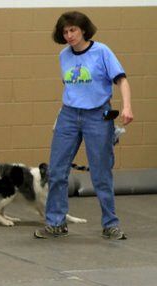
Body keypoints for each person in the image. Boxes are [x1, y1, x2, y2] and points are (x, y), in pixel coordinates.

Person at [35, 11, 133, 240]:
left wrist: (127, 107)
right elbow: (71, 89)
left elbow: (122, 80)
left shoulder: (102, 51)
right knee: (57, 171)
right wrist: (60, 118)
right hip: (69, 116)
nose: (69, 35)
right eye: (65, 32)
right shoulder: (63, 56)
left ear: (83, 30)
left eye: (73, 30)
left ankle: (110, 224)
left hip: (98, 116)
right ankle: (55, 223)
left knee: (100, 173)